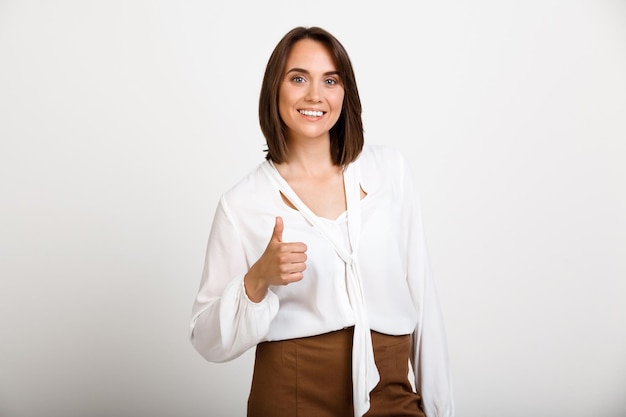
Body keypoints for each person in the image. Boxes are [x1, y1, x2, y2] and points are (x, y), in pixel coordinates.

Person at [190, 26, 454, 417]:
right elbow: (206, 339)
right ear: (274, 89)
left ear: (345, 93)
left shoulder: (390, 171)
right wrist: (256, 280)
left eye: (330, 80)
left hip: (390, 388)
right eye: (299, 78)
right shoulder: (242, 204)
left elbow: (424, 299)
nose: (315, 95)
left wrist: (439, 408)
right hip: (291, 392)